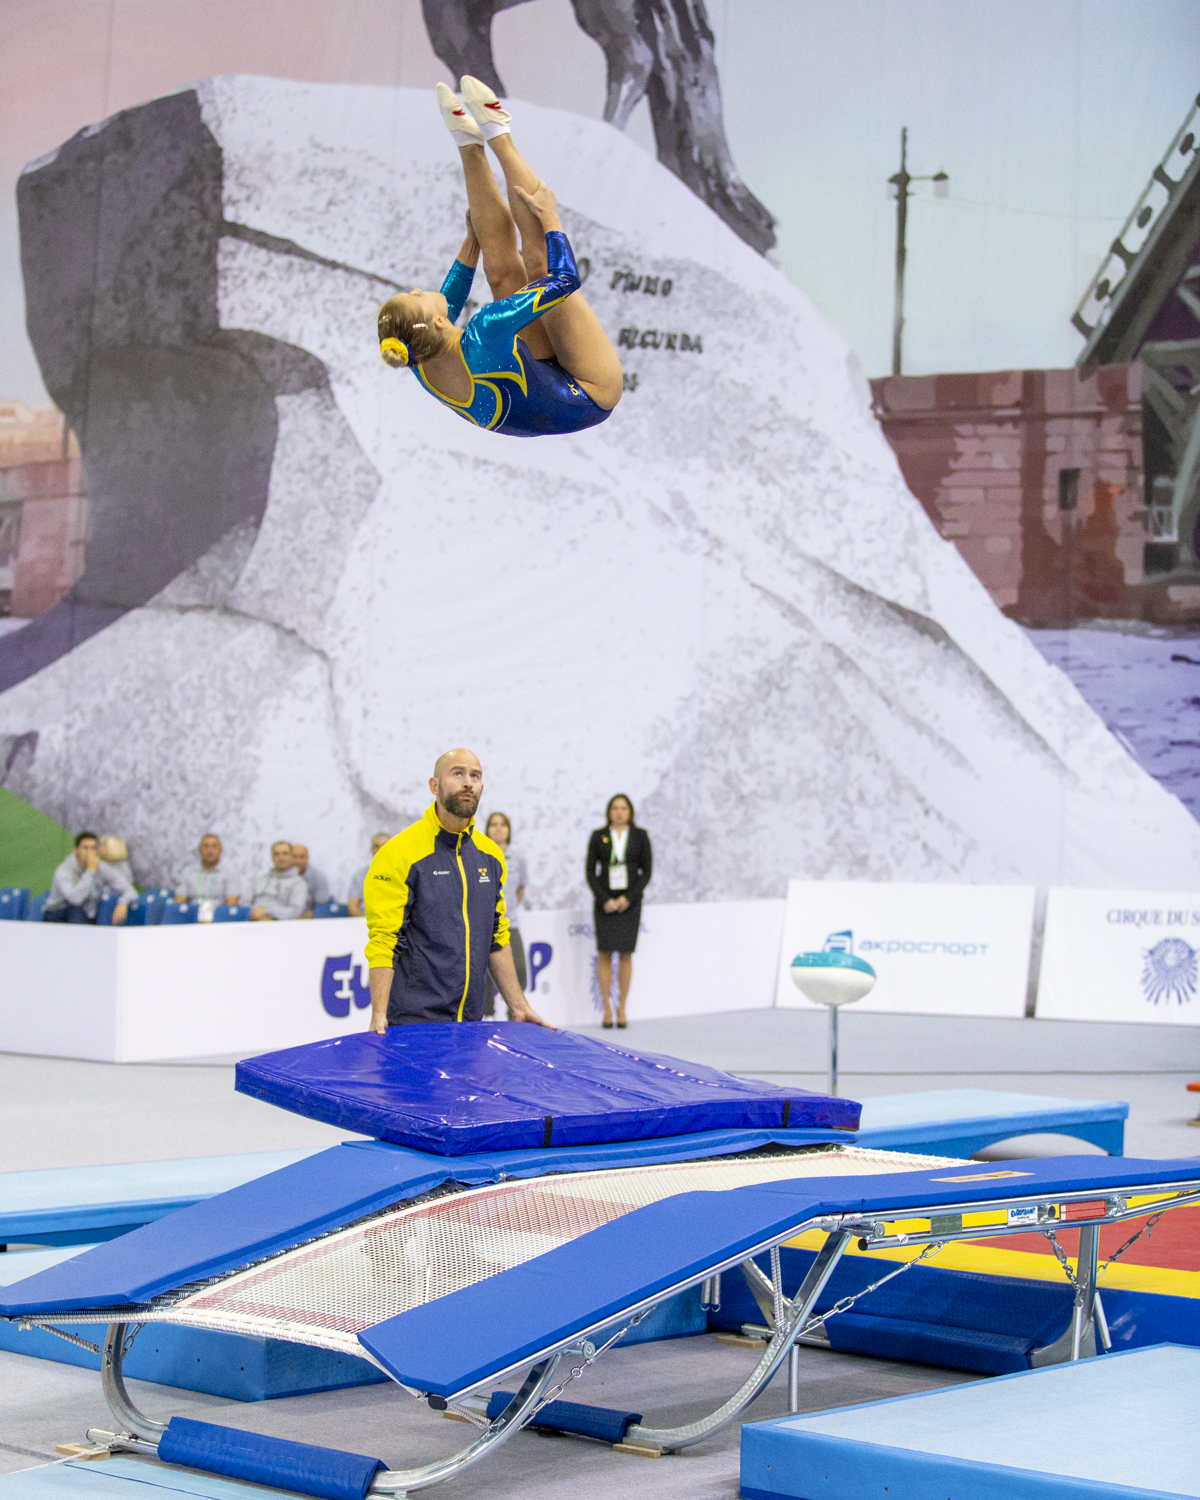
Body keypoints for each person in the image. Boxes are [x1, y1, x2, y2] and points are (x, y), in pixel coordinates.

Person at [376, 76, 622, 438]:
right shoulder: (484, 330)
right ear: (440, 325)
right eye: (415, 296)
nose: (416, 289)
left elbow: (448, 301)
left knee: (499, 270)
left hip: (536, 374)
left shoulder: (415, 354)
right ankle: (498, 132)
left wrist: (471, 241)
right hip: (590, 390)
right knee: (538, 264)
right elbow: (565, 280)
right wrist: (550, 216)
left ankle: (467, 142)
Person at [364, 748, 551, 1030]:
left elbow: (496, 937)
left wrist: (519, 1006)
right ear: (434, 785)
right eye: (458, 773)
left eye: (475, 775)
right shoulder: (398, 854)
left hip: (470, 1021)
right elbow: (384, 942)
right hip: (413, 1020)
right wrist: (379, 1016)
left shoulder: (491, 855)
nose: (468, 782)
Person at [585, 794, 652, 1028]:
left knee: (625, 954)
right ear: (608, 811)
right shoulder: (599, 836)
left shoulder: (640, 836)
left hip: (629, 904)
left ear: (630, 812)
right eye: (615, 808)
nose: (619, 812)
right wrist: (605, 899)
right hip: (605, 903)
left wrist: (627, 898)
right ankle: (606, 1008)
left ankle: (621, 1007)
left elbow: (647, 872)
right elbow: (591, 873)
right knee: (605, 953)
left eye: (624, 808)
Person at [482, 812, 527, 1017]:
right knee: (484, 974)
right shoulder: (480, 855)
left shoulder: (518, 859)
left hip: (510, 923)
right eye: (493, 824)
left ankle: (514, 1012)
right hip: (483, 923)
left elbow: (520, 888)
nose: (498, 828)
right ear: (487, 829)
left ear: (509, 830)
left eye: (503, 824)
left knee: (519, 969)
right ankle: (488, 1015)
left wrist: (506, 909)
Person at [43, 831, 134, 924]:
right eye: (85, 848)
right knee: (77, 910)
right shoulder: (64, 871)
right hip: (58, 912)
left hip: (87, 912)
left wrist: (123, 903)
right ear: (76, 850)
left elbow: (129, 890)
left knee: (99, 910)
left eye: (93, 848)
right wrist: (90, 871)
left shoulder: (101, 867)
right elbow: (76, 899)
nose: (89, 852)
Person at [176, 834, 240, 919]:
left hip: (219, 918)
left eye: (214, 846)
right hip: (191, 917)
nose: (210, 850)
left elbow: (232, 903)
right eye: (206, 846)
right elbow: (179, 901)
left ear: (220, 850)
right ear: (200, 850)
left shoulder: (230, 873)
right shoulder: (187, 872)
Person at [248, 841, 307, 922]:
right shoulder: (259, 880)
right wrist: (253, 914)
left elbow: (294, 912)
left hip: (280, 925)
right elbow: (244, 904)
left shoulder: (298, 883)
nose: (281, 858)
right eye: (276, 854)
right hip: (252, 922)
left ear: (291, 857)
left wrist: (269, 914)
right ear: (272, 857)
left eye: (285, 854)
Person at [348, 832, 391, 917]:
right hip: (366, 922)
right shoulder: (359, 876)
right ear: (371, 849)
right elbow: (352, 907)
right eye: (376, 846)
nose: (380, 849)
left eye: (384, 845)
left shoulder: (405, 872)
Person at [291, 843, 330, 914]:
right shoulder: (278, 876)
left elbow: (321, 907)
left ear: (307, 858)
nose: (298, 861)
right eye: (294, 857)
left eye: (302, 857)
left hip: (308, 919)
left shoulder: (319, 877)